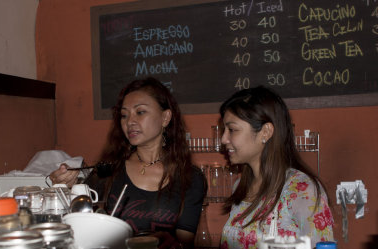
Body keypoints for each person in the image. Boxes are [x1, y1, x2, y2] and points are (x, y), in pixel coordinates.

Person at [49, 77, 206, 249]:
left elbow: (185, 242)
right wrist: (63, 189)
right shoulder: (108, 170)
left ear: (165, 117)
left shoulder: (190, 177)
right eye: (124, 115)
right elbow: (79, 224)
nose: (129, 122)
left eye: (140, 112)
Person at [218, 86, 334, 249]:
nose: (223, 139)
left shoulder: (301, 190)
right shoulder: (240, 186)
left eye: (232, 130)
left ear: (265, 132)